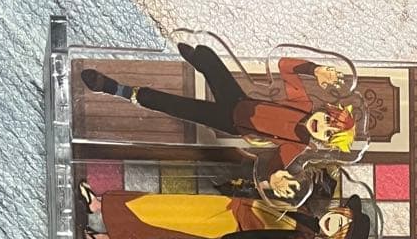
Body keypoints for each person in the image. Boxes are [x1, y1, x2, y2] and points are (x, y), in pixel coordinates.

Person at [80, 44, 358, 198]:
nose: (323, 126)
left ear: (324, 143)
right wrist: (315, 69)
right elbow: (285, 66)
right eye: (328, 120)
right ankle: (188, 54)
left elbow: (274, 166)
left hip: (229, 121)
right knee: (206, 56)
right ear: (326, 109)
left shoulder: (297, 146)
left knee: (176, 106)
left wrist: (274, 178)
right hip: (237, 99)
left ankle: (116, 89)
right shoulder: (303, 104)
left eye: (328, 133)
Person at [78, 181, 370, 239]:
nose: (335, 221)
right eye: (342, 217)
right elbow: (269, 190)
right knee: (168, 205)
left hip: (229, 227)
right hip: (230, 205)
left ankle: (107, 231)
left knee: (168, 222)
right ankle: (102, 207)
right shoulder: (307, 205)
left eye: (340, 229)